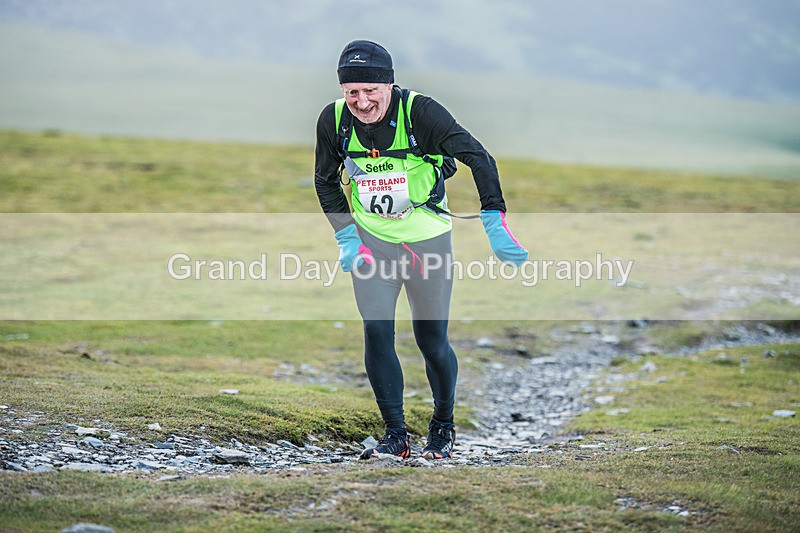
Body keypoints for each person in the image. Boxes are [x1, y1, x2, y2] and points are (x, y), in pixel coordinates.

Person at [314, 39, 528, 460]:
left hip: (427, 242)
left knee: (431, 339)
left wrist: (494, 220)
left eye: (369, 91)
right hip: (372, 243)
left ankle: (443, 426)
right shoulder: (333, 120)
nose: (360, 101)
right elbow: (324, 180)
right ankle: (395, 434)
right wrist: (346, 236)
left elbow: (479, 157)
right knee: (376, 332)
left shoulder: (421, 113)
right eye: (351, 92)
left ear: (388, 85)